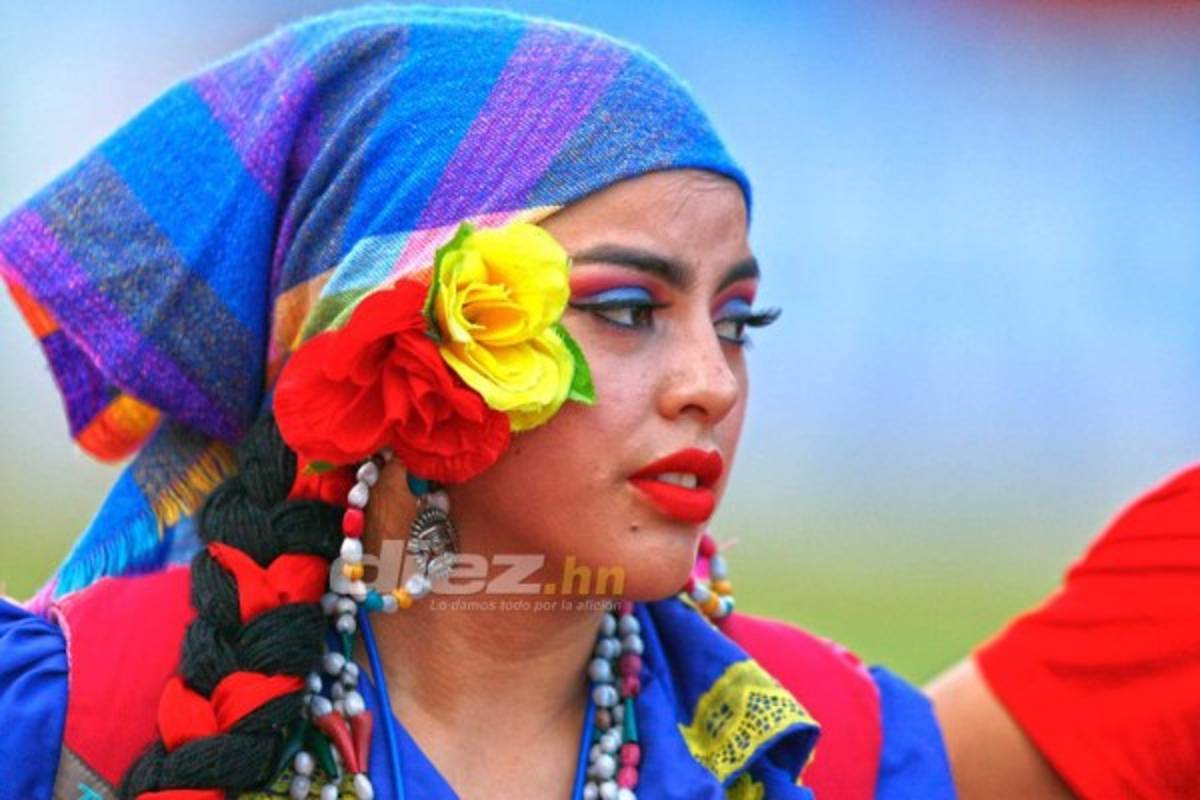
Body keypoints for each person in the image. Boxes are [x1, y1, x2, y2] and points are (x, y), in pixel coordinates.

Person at [0, 7, 1195, 800]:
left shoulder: (821, 738)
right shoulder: (76, 706)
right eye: (629, 308)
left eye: (737, 320)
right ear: (398, 336)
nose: (711, 380)